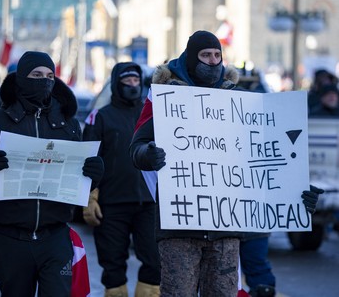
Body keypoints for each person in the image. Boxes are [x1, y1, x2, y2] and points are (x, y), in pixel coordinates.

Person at [129, 30, 323, 297]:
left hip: (226, 232)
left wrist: (296, 190)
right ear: (189, 59)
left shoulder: (239, 101)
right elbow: (136, 147)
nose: (212, 61)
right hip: (180, 228)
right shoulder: (168, 98)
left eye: (217, 55)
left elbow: (267, 157)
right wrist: (147, 154)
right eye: (205, 55)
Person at [0, 51, 104, 297]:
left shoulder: (68, 124)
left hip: (56, 237)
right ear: (21, 79)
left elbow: (76, 181)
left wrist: (93, 176)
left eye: (50, 75)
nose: (45, 81)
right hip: (11, 239)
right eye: (36, 75)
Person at [82, 62, 160, 297]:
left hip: (148, 203)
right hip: (111, 205)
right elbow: (88, 158)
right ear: (117, 83)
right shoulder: (100, 117)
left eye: (136, 81)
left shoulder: (151, 115)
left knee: (155, 262)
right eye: (127, 81)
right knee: (113, 265)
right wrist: (89, 196)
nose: (133, 85)